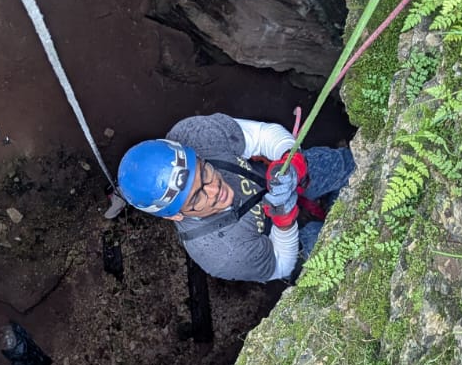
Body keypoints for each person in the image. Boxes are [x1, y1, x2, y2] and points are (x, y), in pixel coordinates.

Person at [117, 114, 355, 284]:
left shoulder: (194, 135)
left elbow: (263, 135)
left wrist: (290, 163)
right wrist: (284, 222)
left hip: (277, 178)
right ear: (176, 215)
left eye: (204, 172)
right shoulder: (220, 253)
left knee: (346, 166)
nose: (214, 189)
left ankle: (339, 190)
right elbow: (282, 264)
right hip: (283, 237)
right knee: (336, 252)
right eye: (197, 197)